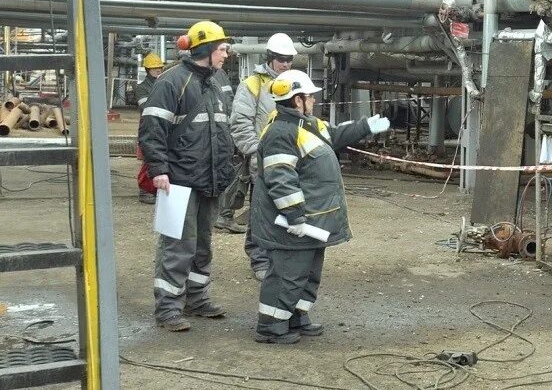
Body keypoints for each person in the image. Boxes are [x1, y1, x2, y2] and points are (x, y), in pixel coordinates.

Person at [251, 70, 390, 344]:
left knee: (308, 273)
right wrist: (294, 215)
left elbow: (334, 134)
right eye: (309, 97)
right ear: (297, 100)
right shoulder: (282, 132)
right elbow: (281, 178)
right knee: (287, 274)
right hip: (294, 222)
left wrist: (365, 126)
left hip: (313, 220)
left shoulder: (307, 125)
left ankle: (296, 316)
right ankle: (271, 327)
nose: (314, 100)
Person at [138, 21, 237, 332]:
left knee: (203, 244)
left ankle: (197, 299)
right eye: (222, 49)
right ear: (206, 50)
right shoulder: (171, 82)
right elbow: (152, 131)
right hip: (178, 181)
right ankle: (168, 308)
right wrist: (159, 171)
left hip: (211, 178)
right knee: (177, 245)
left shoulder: (219, 79)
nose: (226, 54)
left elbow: (224, 127)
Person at [219, 32, 298, 282]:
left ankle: (280, 257)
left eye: (289, 59)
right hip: (262, 161)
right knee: (261, 211)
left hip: (291, 160)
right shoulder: (252, 84)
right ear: (270, 58)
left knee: (288, 207)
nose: (286, 64)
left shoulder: (295, 83)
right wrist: (255, 152)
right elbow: (240, 122)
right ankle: (260, 259)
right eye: (281, 59)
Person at [135, 52, 165, 205]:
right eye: (154, 68)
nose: (158, 70)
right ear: (147, 69)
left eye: (159, 67)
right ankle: (145, 191)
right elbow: (146, 108)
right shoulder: (142, 88)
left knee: (162, 158)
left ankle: (156, 189)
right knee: (149, 159)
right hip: (149, 127)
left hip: (164, 126)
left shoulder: (165, 83)